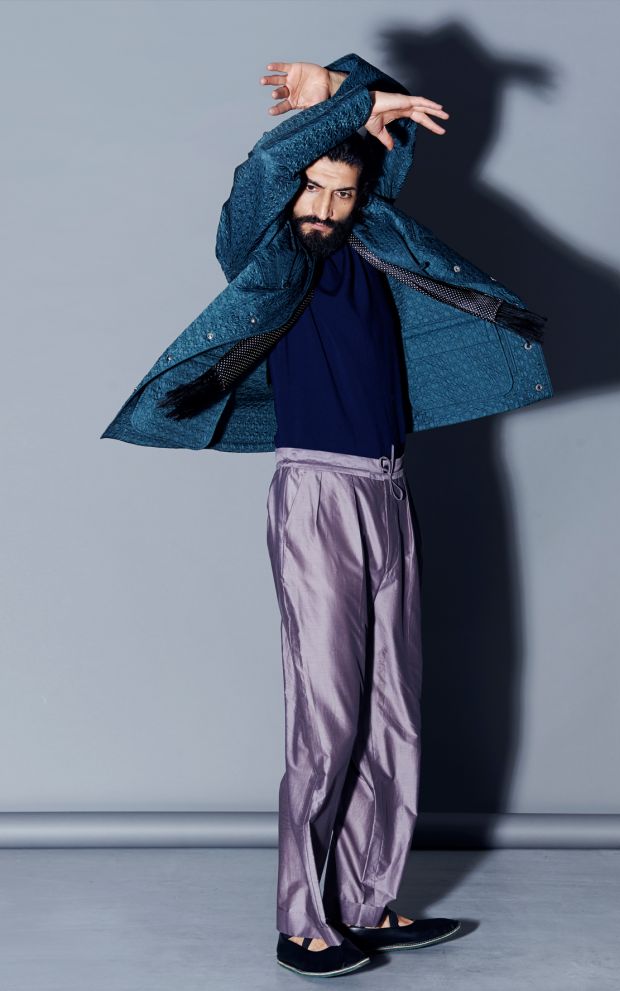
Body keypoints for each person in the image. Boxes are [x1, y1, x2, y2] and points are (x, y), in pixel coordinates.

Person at [101, 53, 552, 979]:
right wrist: (335, 103)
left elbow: (385, 143)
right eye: (314, 190)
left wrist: (356, 101)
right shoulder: (267, 258)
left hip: (388, 488)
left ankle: (367, 901)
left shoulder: (377, 244)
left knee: (395, 713)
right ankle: (303, 919)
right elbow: (267, 171)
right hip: (317, 494)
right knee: (327, 714)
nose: (324, 207)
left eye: (342, 195)